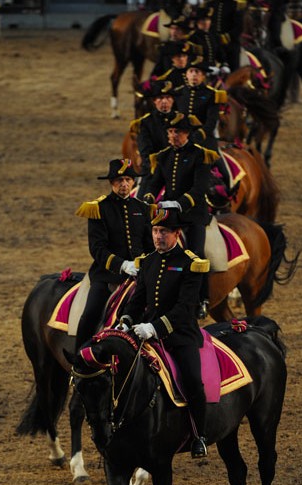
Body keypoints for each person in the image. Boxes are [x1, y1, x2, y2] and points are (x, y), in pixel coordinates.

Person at [118, 207, 209, 459]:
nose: (158, 236)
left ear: (177, 233)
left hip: (180, 336)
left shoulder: (191, 263)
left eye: (164, 232)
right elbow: (137, 302)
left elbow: (184, 309)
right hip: (146, 335)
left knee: (192, 380)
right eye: (156, 231)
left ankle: (199, 435)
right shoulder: (148, 261)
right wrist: (125, 321)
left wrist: (154, 328)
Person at [142, 112, 220, 317]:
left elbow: (199, 188)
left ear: (186, 134)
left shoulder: (201, 155)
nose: (173, 135)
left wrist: (178, 203)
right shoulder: (164, 156)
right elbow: (155, 182)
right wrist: (149, 197)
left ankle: (202, 299)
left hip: (193, 214)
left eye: (177, 131)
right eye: (170, 131)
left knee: (196, 253)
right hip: (170, 214)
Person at [74, 159, 153, 352]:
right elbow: (97, 248)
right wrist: (122, 265)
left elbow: (150, 246)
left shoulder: (142, 209)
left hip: (138, 276)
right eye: (119, 180)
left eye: (128, 179)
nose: (124, 184)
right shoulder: (98, 208)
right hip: (107, 275)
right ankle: (79, 356)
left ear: (133, 182)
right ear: (111, 183)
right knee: (91, 313)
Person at [129, 80, 179, 199]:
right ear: (154, 101)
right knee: (140, 203)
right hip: (153, 172)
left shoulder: (182, 120)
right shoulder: (145, 123)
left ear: (172, 100)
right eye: (160, 98)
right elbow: (145, 152)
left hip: (179, 170)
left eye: (168, 97)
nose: (164, 101)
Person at [174, 58, 228, 152]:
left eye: (198, 72)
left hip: (204, 139)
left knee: (218, 163)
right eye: (191, 71)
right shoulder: (177, 93)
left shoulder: (212, 94)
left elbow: (212, 121)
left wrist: (199, 134)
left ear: (203, 76)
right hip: (179, 138)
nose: (194, 74)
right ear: (186, 75)